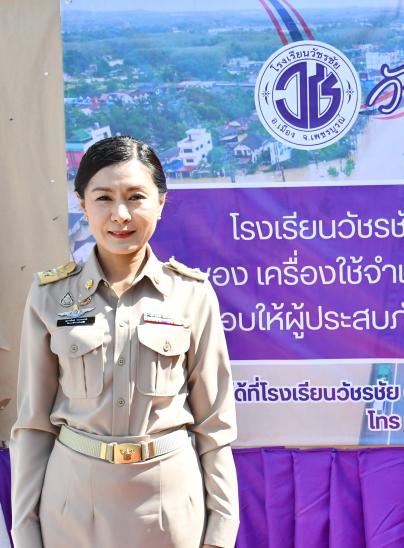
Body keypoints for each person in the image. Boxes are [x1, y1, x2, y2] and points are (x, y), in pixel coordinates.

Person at [10, 136, 239, 548]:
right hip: (72, 509)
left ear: (161, 203)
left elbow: (215, 426)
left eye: (136, 197)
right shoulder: (49, 296)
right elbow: (33, 426)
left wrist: (220, 533)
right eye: (103, 198)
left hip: (170, 507)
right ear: (82, 204)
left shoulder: (191, 294)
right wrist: (25, 530)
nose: (120, 214)